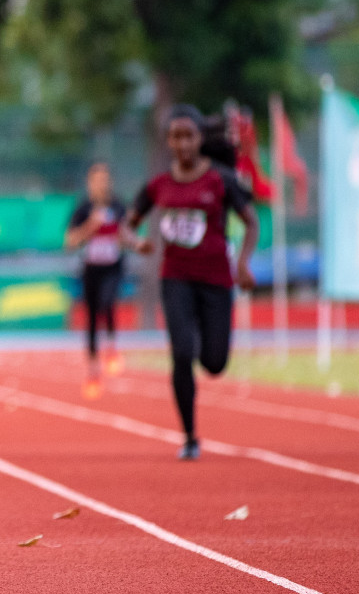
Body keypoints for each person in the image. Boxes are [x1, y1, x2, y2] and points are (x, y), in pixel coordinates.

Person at [124, 105, 259, 460]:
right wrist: (137, 242)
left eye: (188, 136)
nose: (181, 144)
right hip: (176, 277)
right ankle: (189, 436)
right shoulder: (159, 185)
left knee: (214, 363)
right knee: (182, 353)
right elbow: (127, 225)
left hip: (216, 279)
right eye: (175, 136)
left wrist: (243, 264)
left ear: (200, 139)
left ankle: (201, 332)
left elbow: (252, 221)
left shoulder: (219, 180)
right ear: (168, 141)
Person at [65, 162, 126, 398]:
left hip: (113, 267)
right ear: (90, 183)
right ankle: (93, 370)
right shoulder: (83, 208)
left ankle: (111, 348)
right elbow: (70, 241)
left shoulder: (119, 206)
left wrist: (125, 238)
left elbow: (128, 232)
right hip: (91, 268)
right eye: (96, 180)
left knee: (107, 302)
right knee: (91, 316)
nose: (101, 184)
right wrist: (91, 226)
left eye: (105, 179)